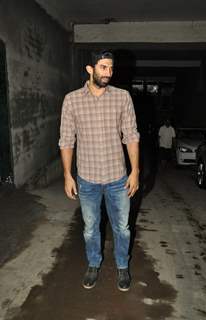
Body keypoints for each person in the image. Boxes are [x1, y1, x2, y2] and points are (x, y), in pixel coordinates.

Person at [59, 50, 140, 292]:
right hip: (87, 179)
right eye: (103, 67)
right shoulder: (72, 100)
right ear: (89, 69)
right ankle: (94, 263)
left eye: (111, 68)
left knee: (122, 227)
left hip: (118, 178)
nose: (108, 73)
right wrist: (67, 175)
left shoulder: (122, 97)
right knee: (90, 227)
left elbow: (132, 135)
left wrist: (135, 170)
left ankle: (122, 266)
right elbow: (66, 140)